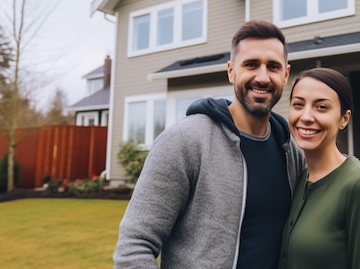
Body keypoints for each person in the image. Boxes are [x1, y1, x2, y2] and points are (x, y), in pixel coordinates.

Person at [113, 20, 306, 269]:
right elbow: (133, 247)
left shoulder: (291, 152)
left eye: (273, 66)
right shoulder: (185, 141)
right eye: (250, 64)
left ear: (285, 74)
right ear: (231, 71)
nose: (262, 76)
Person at [278, 67, 360, 269]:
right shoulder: (299, 177)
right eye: (298, 104)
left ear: (344, 119)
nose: (305, 116)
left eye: (321, 107)